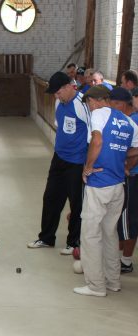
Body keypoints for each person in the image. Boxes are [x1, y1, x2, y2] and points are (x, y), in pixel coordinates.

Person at [74, 85, 138, 296]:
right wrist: (125, 166)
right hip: (118, 186)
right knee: (110, 234)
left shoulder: (100, 113)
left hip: (99, 183)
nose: (90, 108)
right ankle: (113, 281)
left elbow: (98, 140)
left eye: (89, 104)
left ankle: (96, 286)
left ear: (94, 101)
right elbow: (135, 150)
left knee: (90, 234)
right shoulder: (129, 122)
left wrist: (88, 166)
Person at [27, 72, 91, 254]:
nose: (55, 96)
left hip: (77, 162)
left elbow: (93, 134)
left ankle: (74, 243)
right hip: (59, 158)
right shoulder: (59, 102)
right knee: (51, 198)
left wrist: (88, 163)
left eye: (58, 92)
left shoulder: (81, 104)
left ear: (69, 87)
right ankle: (46, 238)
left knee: (76, 203)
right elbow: (61, 127)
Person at [108, 87, 138, 274]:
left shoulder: (131, 121)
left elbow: (135, 151)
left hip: (132, 176)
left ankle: (125, 261)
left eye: (113, 104)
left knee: (127, 221)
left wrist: (125, 167)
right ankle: (119, 258)